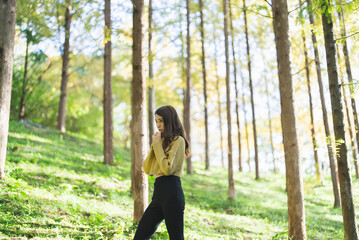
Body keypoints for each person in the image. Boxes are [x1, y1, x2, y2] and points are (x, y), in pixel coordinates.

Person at [133, 105, 190, 240]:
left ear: (169, 121)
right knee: (140, 237)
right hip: (158, 196)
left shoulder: (179, 141)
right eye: (156, 121)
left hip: (172, 193)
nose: (158, 125)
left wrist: (158, 145)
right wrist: (155, 145)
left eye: (161, 121)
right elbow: (147, 168)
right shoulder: (160, 142)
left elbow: (167, 169)